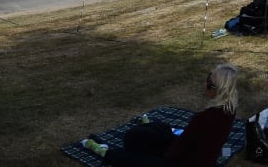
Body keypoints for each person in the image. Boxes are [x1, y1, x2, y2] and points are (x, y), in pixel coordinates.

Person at [82, 63, 239, 167]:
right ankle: (146, 130)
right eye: (208, 78)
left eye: (209, 83)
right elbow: (188, 143)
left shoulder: (205, 118)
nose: (205, 85)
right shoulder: (230, 109)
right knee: (155, 131)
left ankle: (103, 150)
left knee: (127, 158)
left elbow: (176, 152)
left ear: (219, 90)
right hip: (191, 154)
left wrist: (160, 155)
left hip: (182, 161)